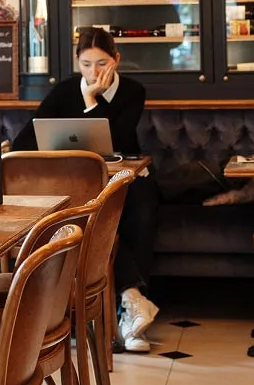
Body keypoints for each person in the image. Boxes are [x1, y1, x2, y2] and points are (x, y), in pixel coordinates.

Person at [11, 26, 160, 354]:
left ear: (117, 60)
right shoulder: (64, 91)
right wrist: (87, 99)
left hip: (128, 178)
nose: (94, 72)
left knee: (139, 210)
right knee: (93, 216)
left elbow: (116, 138)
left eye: (102, 63)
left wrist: (92, 102)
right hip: (80, 185)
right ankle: (131, 300)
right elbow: (25, 140)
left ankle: (129, 306)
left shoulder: (133, 91)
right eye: (87, 64)